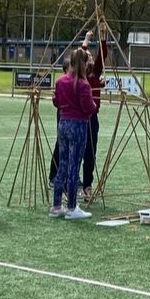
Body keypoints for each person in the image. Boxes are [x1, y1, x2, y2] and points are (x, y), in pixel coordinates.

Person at [48, 27, 107, 202]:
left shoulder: (92, 73)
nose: (90, 57)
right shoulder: (80, 80)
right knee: (70, 157)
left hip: (77, 120)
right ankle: (68, 194)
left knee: (88, 153)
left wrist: (102, 37)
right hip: (80, 120)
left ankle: (84, 187)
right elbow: (87, 106)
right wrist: (87, 41)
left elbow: (101, 56)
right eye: (87, 56)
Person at [50, 48, 98, 220]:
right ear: (84, 64)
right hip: (77, 125)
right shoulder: (83, 84)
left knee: (62, 164)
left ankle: (56, 205)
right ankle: (71, 207)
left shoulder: (61, 81)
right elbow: (88, 107)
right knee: (74, 165)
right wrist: (93, 106)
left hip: (63, 123)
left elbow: (56, 102)